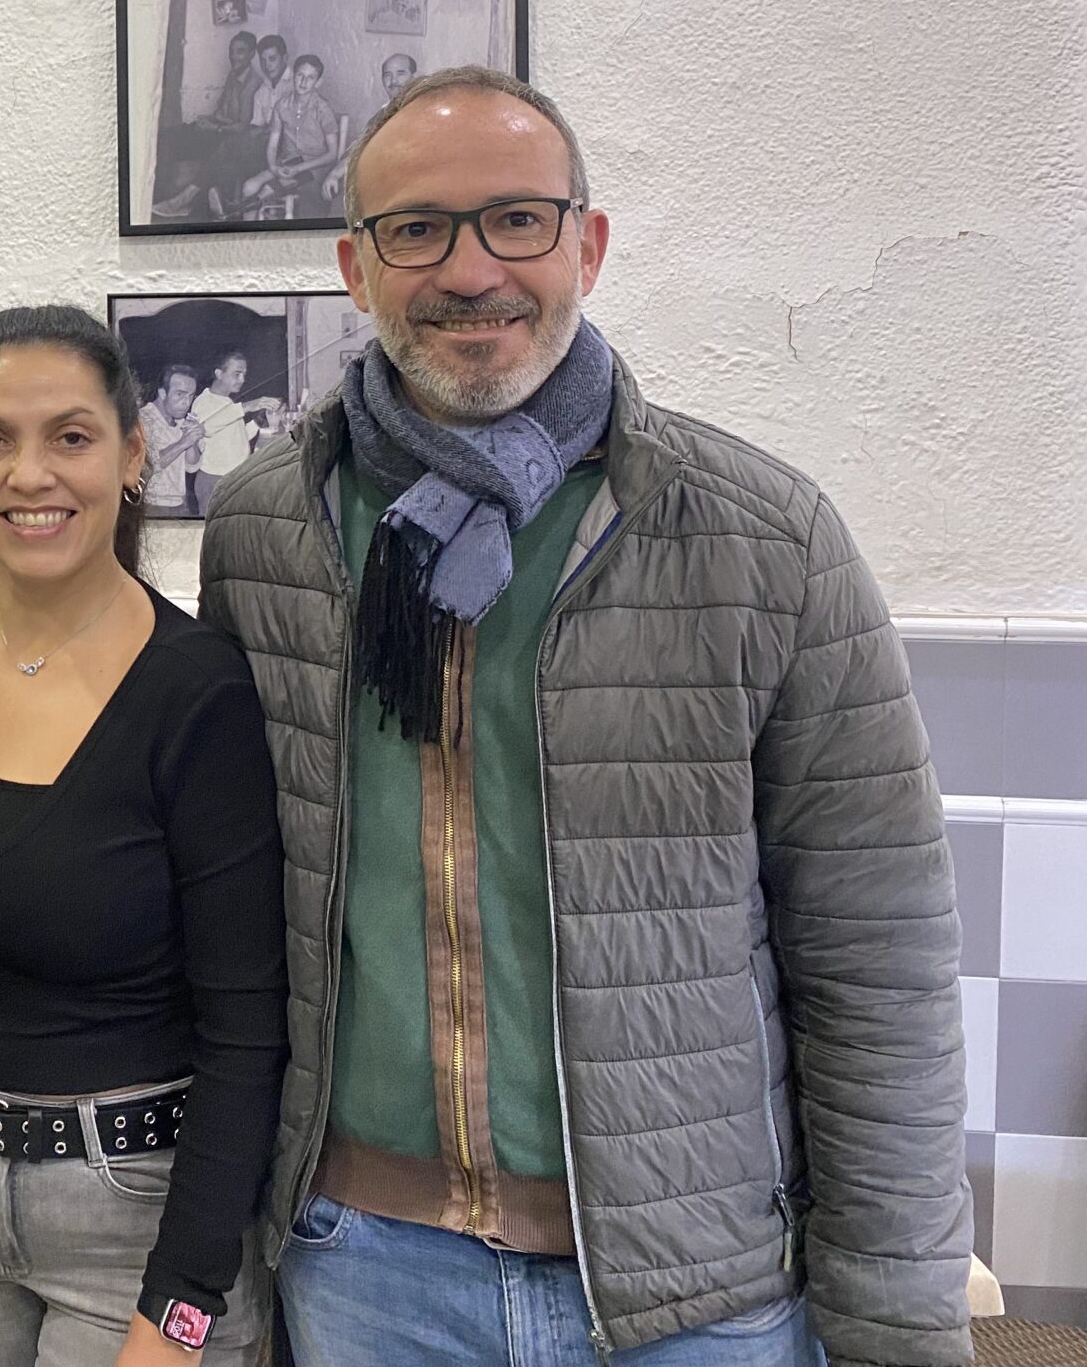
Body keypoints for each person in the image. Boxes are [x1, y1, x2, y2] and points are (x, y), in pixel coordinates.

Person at [202, 67, 968, 1366]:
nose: (471, 268)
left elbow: (879, 966)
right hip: (364, 1273)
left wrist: (893, 1323)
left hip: (690, 1296)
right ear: (358, 266)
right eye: (418, 229)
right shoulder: (268, 528)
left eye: (516, 220)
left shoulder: (758, 539)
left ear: (587, 245)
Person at [0, 306, 286, 1365]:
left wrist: (180, 1306)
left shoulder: (197, 690)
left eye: (71, 437)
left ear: (134, 456)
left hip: (130, 1211)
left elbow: (247, 1029)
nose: (29, 475)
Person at [242, 54, 345, 216]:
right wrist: (273, 167)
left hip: (315, 167)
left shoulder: (323, 109)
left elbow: (332, 154)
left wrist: (298, 168)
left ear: (318, 82)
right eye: (300, 75)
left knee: (267, 190)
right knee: (249, 186)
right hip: (288, 162)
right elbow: (273, 143)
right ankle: (244, 231)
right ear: (293, 76)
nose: (304, 82)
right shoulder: (282, 105)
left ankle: (234, 211)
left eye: (310, 78)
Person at [185, 352, 278, 514]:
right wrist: (247, 406)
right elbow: (206, 428)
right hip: (214, 481)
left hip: (232, 478)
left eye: (244, 375)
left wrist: (259, 420)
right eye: (237, 374)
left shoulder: (226, 401)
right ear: (219, 374)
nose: (242, 380)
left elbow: (236, 438)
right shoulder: (204, 401)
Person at [138, 364, 206, 518]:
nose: (186, 402)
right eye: (180, 394)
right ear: (163, 393)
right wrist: (183, 442)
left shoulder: (183, 420)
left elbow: (192, 466)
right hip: (150, 506)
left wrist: (192, 439)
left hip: (180, 504)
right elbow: (147, 465)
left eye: (191, 396)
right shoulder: (143, 420)